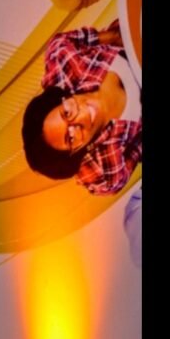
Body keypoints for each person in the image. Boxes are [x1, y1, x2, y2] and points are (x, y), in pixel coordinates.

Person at [22, 20, 141, 265]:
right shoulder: (103, 171)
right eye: (70, 138)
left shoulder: (63, 64)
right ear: (75, 153)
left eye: (66, 113)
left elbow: (59, 43)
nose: (81, 119)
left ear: (62, 98)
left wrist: (112, 37)